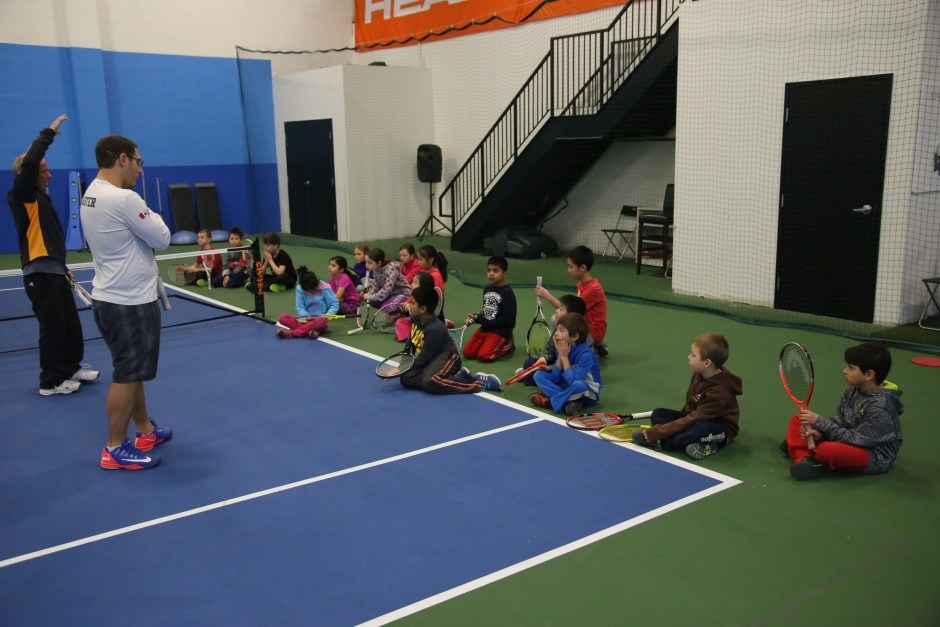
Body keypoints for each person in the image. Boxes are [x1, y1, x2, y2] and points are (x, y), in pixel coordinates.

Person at [81, 134, 172, 470]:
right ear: (122, 159)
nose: (140, 169)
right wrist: (150, 215)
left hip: (109, 299)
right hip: (129, 304)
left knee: (131, 372)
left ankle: (145, 431)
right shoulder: (125, 198)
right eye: (138, 161)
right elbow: (163, 237)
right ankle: (114, 448)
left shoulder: (90, 194)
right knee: (127, 375)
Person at [7, 114, 98, 396]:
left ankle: (70, 368)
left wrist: (62, 266)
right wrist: (47, 133)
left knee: (69, 324)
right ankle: (50, 382)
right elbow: (31, 161)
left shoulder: (40, 198)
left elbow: (49, 240)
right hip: (39, 274)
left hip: (54, 271)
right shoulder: (22, 194)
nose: (49, 175)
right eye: (44, 171)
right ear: (28, 174)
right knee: (53, 327)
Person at [784, 342, 903, 481]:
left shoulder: (880, 406)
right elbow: (840, 421)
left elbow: (857, 440)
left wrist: (819, 423)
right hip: (847, 439)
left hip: (872, 454)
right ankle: (804, 459)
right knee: (799, 419)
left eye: (851, 368)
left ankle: (805, 452)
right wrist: (821, 434)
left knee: (828, 450)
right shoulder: (853, 389)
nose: (845, 370)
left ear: (869, 374)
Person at [632, 332, 742, 460]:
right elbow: (690, 409)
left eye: (693, 355)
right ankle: (679, 441)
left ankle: (710, 445)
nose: (688, 357)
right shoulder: (699, 374)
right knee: (658, 413)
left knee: (694, 433)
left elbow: (695, 418)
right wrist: (670, 427)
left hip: (718, 428)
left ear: (707, 363)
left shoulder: (719, 392)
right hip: (697, 419)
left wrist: (658, 432)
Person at [400, 286, 501, 394]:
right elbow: (410, 346)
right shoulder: (415, 318)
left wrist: (400, 370)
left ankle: (476, 382)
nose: (409, 305)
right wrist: (402, 368)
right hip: (432, 360)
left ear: (423, 309)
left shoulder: (435, 329)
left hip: (449, 358)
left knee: (430, 382)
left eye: (412, 303)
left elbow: (424, 357)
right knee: (406, 378)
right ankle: (454, 377)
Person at [536, 245, 608, 357]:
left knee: (558, 319)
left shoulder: (593, 289)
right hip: (585, 324)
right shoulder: (581, 284)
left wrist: (547, 296)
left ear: (583, 268)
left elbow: (570, 311)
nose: (568, 270)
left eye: (571, 267)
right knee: (557, 318)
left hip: (593, 331)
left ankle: (594, 347)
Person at [530, 313, 602, 414]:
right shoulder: (564, 347)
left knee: (579, 384)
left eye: (561, 330)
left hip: (588, 392)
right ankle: (569, 402)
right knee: (539, 375)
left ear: (575, 336)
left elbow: (573, 382)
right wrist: (560, 355)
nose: (556, 333)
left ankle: (550, 402)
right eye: (557, 329)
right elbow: (555, 378)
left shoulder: (586, 354)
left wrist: (564, 357)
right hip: (568, 387)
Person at [515, 294, 586, 386]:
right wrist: (544, 358)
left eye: (561, 309)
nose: (556, 310)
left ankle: (534, 378)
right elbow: (550, 350)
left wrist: (549, 368)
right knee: (530, 362)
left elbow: (572, 366)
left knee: (563, 378)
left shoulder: (581, 341)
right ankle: (534, 376)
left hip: (567, 369)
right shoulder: (558, 328)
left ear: (571, 316)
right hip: (555, 364)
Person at [463, 255, 517, 362]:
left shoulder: (508, 293)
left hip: (500, 331)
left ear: (504, 274)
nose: (491, 273)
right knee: (468, 353)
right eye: (489, 270)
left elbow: (508, 320)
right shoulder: (487, 288)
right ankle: (488, 344)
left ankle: (508, 344)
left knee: (484, 356)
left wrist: (484, 320)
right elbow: (487, 311)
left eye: (495, 271)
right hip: (486, 328)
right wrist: (475, 317)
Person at [276, 266, 339, 339]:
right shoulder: (299, 289)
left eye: (313, 288)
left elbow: (334, 304)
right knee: (282, 318)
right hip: (304, 320)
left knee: (322, 321)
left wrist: (327, 316)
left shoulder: (325, 288)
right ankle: (310, 331)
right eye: (308, 289)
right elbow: (299, 307)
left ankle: (293, 333)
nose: (311, 291)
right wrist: (306, 316)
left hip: (319, 321)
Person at [360, 247, 411, 331]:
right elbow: (376, 286)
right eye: (366, 262)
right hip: (391, 295)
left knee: (385, 307)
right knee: (372, 301)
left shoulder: (391, 269)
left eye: (369, 263)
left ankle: (403, 315)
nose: (367, 265)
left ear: (379, 263)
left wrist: (371, 296)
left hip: (403, 294)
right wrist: (369, 294)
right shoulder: (376, 269)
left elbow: (387, 289)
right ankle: (396, 314)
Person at [395, 271, 436, 341]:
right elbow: (410, 314)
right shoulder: (413, 296)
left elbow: (420, 315)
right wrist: (406, 307)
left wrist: (410, 309)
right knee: (400, 322)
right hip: (415, 322)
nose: (412, 285)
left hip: (425, 324)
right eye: (412, 282)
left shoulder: (427, 299)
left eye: (415, 283)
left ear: (423, 287)